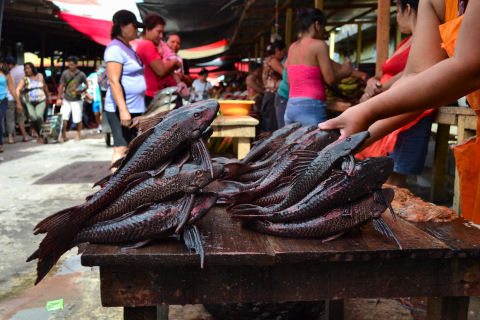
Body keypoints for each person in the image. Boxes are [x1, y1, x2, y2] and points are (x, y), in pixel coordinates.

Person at [319, 0, 480, 223]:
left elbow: (469, 66)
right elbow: (416, 75)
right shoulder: (433, 3)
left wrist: (366, 112)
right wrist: (352, 140)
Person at [357, 0, 432, 187]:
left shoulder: (428, 40)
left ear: (407, 9)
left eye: (397, 11)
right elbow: (386, 73)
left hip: (407, 111)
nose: (396, 18)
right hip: (388, 107)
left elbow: (414, 72)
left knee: (393, 181)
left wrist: (378, 91)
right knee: (380, 177)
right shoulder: (406, 42)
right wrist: (373, 82)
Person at [284, 9, 353, 127]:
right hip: (311, 107)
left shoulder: (293, 47)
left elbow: (290, 82)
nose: (323, 32)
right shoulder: (319, 45)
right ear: (317, 25)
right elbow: (330, 79)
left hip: (291, 106)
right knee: (314, 144)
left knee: (292, 145)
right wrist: (345, 72)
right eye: (323, 27)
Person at [104, 9, 146, 169]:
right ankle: (111, 189)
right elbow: (114, 81)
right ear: (122, 26)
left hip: (135, 107)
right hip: (121, 109)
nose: (137, 30)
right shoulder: (115, 48)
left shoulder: (127, 48)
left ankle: (124, 186)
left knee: (131, 148)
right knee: (121, 148)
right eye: (134, 26)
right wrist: (123, 110)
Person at [135, 14, 181, 107]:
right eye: (158, 32)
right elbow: (161, 70)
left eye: (162, 33)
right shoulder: (147, 45)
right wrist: (174, 61)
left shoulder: (146, 44)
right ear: (147, 29)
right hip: (155, 97)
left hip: (157, 96)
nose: (161, 36)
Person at [15, 62, 50, 144]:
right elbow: (18, 89)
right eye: (25, 69)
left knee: (39, 116)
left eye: (28, 68)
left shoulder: (40, 76)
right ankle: (39, 134)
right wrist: (17, 102)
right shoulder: (24, 79)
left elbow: (44, 86)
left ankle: (42, 135)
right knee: (32, 118)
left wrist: (48, 96)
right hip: (29, 101)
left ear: (32, 68)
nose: (26, 70)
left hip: (41, 99)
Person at [57, 56, 87, 142]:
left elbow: (85, 85)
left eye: (73, 65)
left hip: (77, 99)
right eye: (69, 65)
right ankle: (64, 135)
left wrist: (79, 90)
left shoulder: (81, 74)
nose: (71, 66)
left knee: (77, 118)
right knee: (64, 117)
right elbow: (61, 85)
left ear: (76, 65)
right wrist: (59, 98)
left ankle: (78, 134)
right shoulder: (65, 73)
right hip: (66, 98)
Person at [261, 40, 286, 132]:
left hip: (269, 96)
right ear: (277, 50)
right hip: (272, 97)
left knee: (270, 125)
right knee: (272, 127)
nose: (284, 55)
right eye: (283, 52)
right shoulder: (273, 60)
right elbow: (285, 74)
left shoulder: (268, 60)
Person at [4, 56, 28, 143]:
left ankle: (11, 136)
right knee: (20, 116)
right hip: (24, 94)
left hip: (15, 95)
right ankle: (26, 135)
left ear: (9, 64)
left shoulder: (9, 73)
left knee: (13, 117)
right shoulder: (23, 68)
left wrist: (17, 101)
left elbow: (13, 88)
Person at [0, 61, 23, 152]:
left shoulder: (7, 75)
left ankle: (0, 144)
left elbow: (12, 89)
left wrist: (18, 102)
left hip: (3, 100)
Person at [85, 64, 104, 132]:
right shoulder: (92, 76)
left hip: (102, 98)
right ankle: (100, 125)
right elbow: (86, 85)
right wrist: (88, 94)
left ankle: (102, 126)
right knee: (96, 114)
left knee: (102, 113)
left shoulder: (104, 75)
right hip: (95, 98)